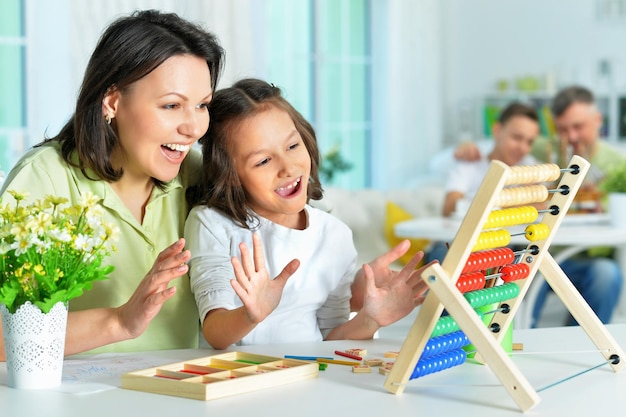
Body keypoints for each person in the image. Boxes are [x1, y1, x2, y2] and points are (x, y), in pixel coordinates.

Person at [0, 10, 225, 360]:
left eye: (202, 106)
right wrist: (119, 322)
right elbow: (2, 335)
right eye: (171, 105)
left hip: (182, 397)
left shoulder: (198, 174)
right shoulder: (44, 180)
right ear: (112, 102)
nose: (194, 128)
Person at [184, 78, 430, 349]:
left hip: (310, 379)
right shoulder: (211, 224)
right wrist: (250, 314)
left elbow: (330, 338)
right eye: (263, 161)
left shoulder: (334, 234)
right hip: (237, 380)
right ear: (230, 176)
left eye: (292, 146)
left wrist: (370, 319)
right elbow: (214, 333)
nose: (288, 167)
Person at [452, 86, 625, 326]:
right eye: (563, 129)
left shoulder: (619, 164)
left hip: (583, 255)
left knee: (606, 274)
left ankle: (579, 344)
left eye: (578, 127)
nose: (571, 137)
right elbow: (506, 141)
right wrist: (469, 147)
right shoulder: (545, 148)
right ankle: (519, 333)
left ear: (597, 120)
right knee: (528, 265)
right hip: (536, 249)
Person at [426, 102, 541, 263]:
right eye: (517, 137)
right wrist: (513, 205)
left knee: (527, 262)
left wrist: (481, 206)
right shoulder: (470, 163)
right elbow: (450, 206)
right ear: (497, 131)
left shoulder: (530, 168)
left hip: (505, 249)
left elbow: (542, 205)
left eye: (529, 142)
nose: (523, 148)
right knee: (445, 259)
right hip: (458, 245)